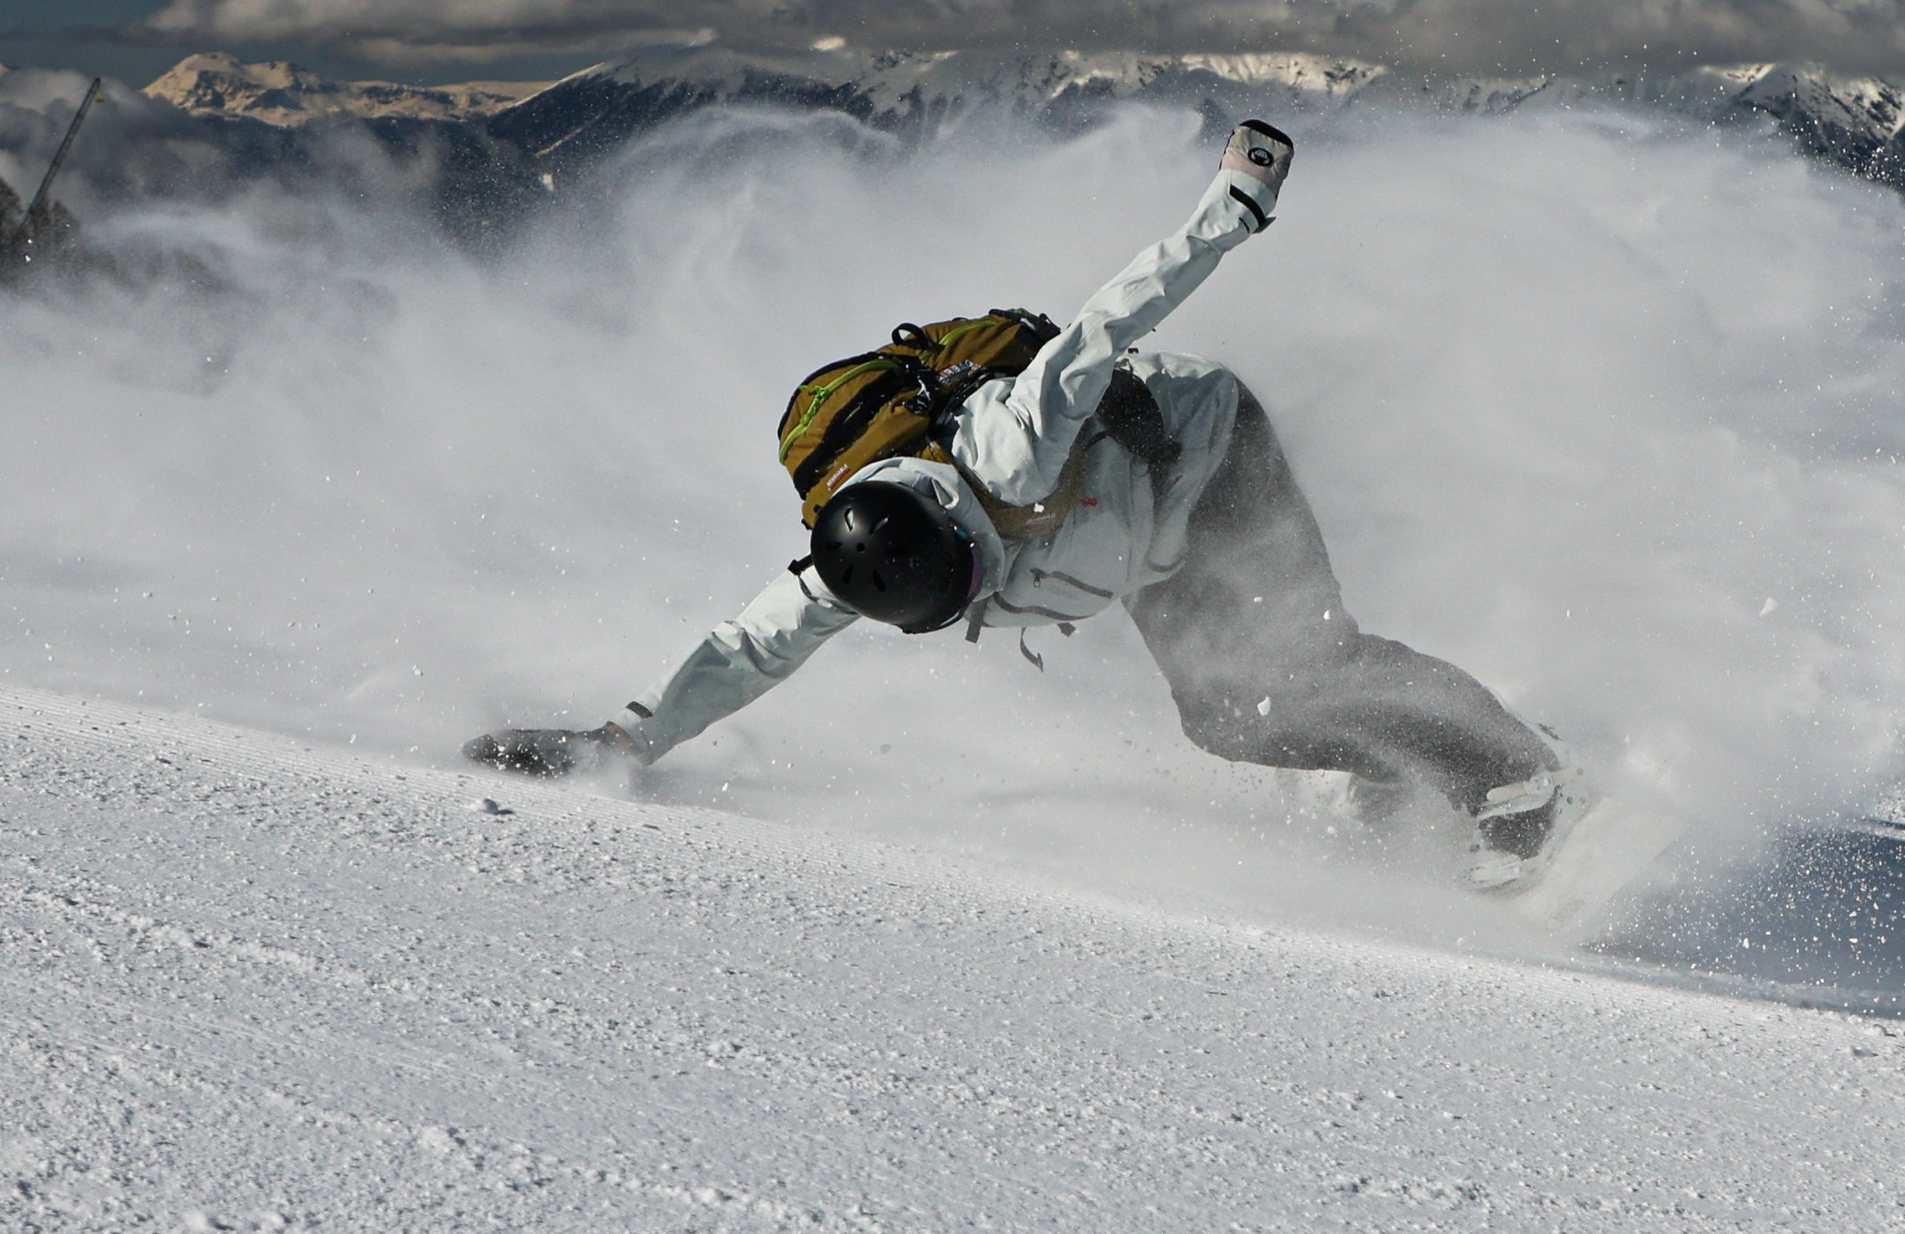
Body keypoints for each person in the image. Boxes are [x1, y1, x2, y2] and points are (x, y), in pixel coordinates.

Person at [466, 122, 1570, 885]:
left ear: (956, 523)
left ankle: (1513, 772)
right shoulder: (854, 565)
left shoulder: (1011, 448)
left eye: (967, 579)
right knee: (1229, 715)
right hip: (1141, 541)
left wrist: (1232, 206)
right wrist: (621, 743)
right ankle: (1413, 757)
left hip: (1205, 453)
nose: (976, 600)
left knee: (1305, 661)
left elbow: (1107, 320)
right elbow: (747, 648)